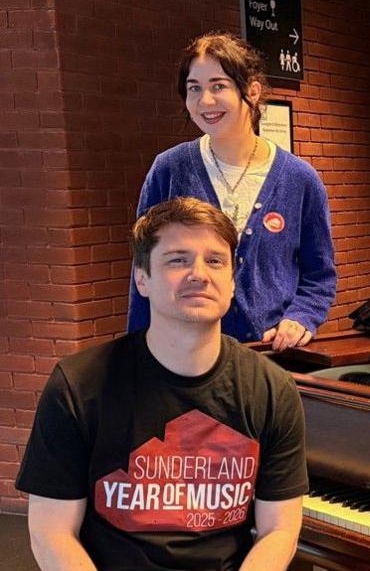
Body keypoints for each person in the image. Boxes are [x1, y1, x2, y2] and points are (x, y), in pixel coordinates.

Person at [17, 198, 308, 570]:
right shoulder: (77, 385)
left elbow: (279, 530)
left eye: (214, 261)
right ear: (142, 278)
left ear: (232, 281)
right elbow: (51, 532)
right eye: (177, 259)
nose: (198, 274)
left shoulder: (272, 389)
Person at [128, 32, 336, 352]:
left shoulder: (300, 179)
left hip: (269, 353)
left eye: (218, 86)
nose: (205, 101)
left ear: (251, 91)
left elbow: (319, 275)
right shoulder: (169, 169)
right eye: (194, 88)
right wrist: (138, 352)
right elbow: (144, 269)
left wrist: (302, 316)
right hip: (185, 353)